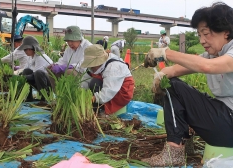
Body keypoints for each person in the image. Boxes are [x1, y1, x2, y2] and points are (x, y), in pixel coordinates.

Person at [142, 2, 233, 166]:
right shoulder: (212, 55)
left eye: (206, 34)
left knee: (173, 86)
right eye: (199, 35)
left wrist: (165, 53)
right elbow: (176, 70)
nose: (202, 40)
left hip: (229, 123)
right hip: (225, 120)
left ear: (226, 32)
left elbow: (206, 66)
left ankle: (174, 150)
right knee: (169, 82)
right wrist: (161, 75)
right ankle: (183, 143)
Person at [80, 44, 134, 115]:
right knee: (93, 82)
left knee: (95, 82)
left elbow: (109, 91)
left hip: (120, 93)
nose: (91, 67)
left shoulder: (113, 67)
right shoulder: (94, 67)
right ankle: (95, 108)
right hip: (108, 86)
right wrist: (80, 93)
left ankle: (100, 111)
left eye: (93, 64)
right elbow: (85, 80)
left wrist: (93, 98)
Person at [48, 25, 92, 90]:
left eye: (72, 41)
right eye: (68, 41)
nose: (69, 43)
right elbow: (64, 61)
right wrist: (56, 65)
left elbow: (83, 66)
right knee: (51, 71)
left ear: (78, 38)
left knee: (69, 72)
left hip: (85, 76)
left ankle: (74, 95)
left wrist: (68, 66)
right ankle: (58, 94)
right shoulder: (69, 49)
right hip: (72, 72)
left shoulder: (88, 47)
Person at [17, 36, 53, 103]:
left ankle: (44, 97)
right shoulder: (30, 57)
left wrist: (21, 78)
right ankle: (28, 96)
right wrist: (18, 76)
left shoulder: (40, 57)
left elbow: (36, 74)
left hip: (48, 84)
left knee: (38, 73)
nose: (25, 52)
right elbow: (25, 70)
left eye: (26, 50)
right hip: (38, 81)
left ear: (32, 49)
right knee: (26, 71)